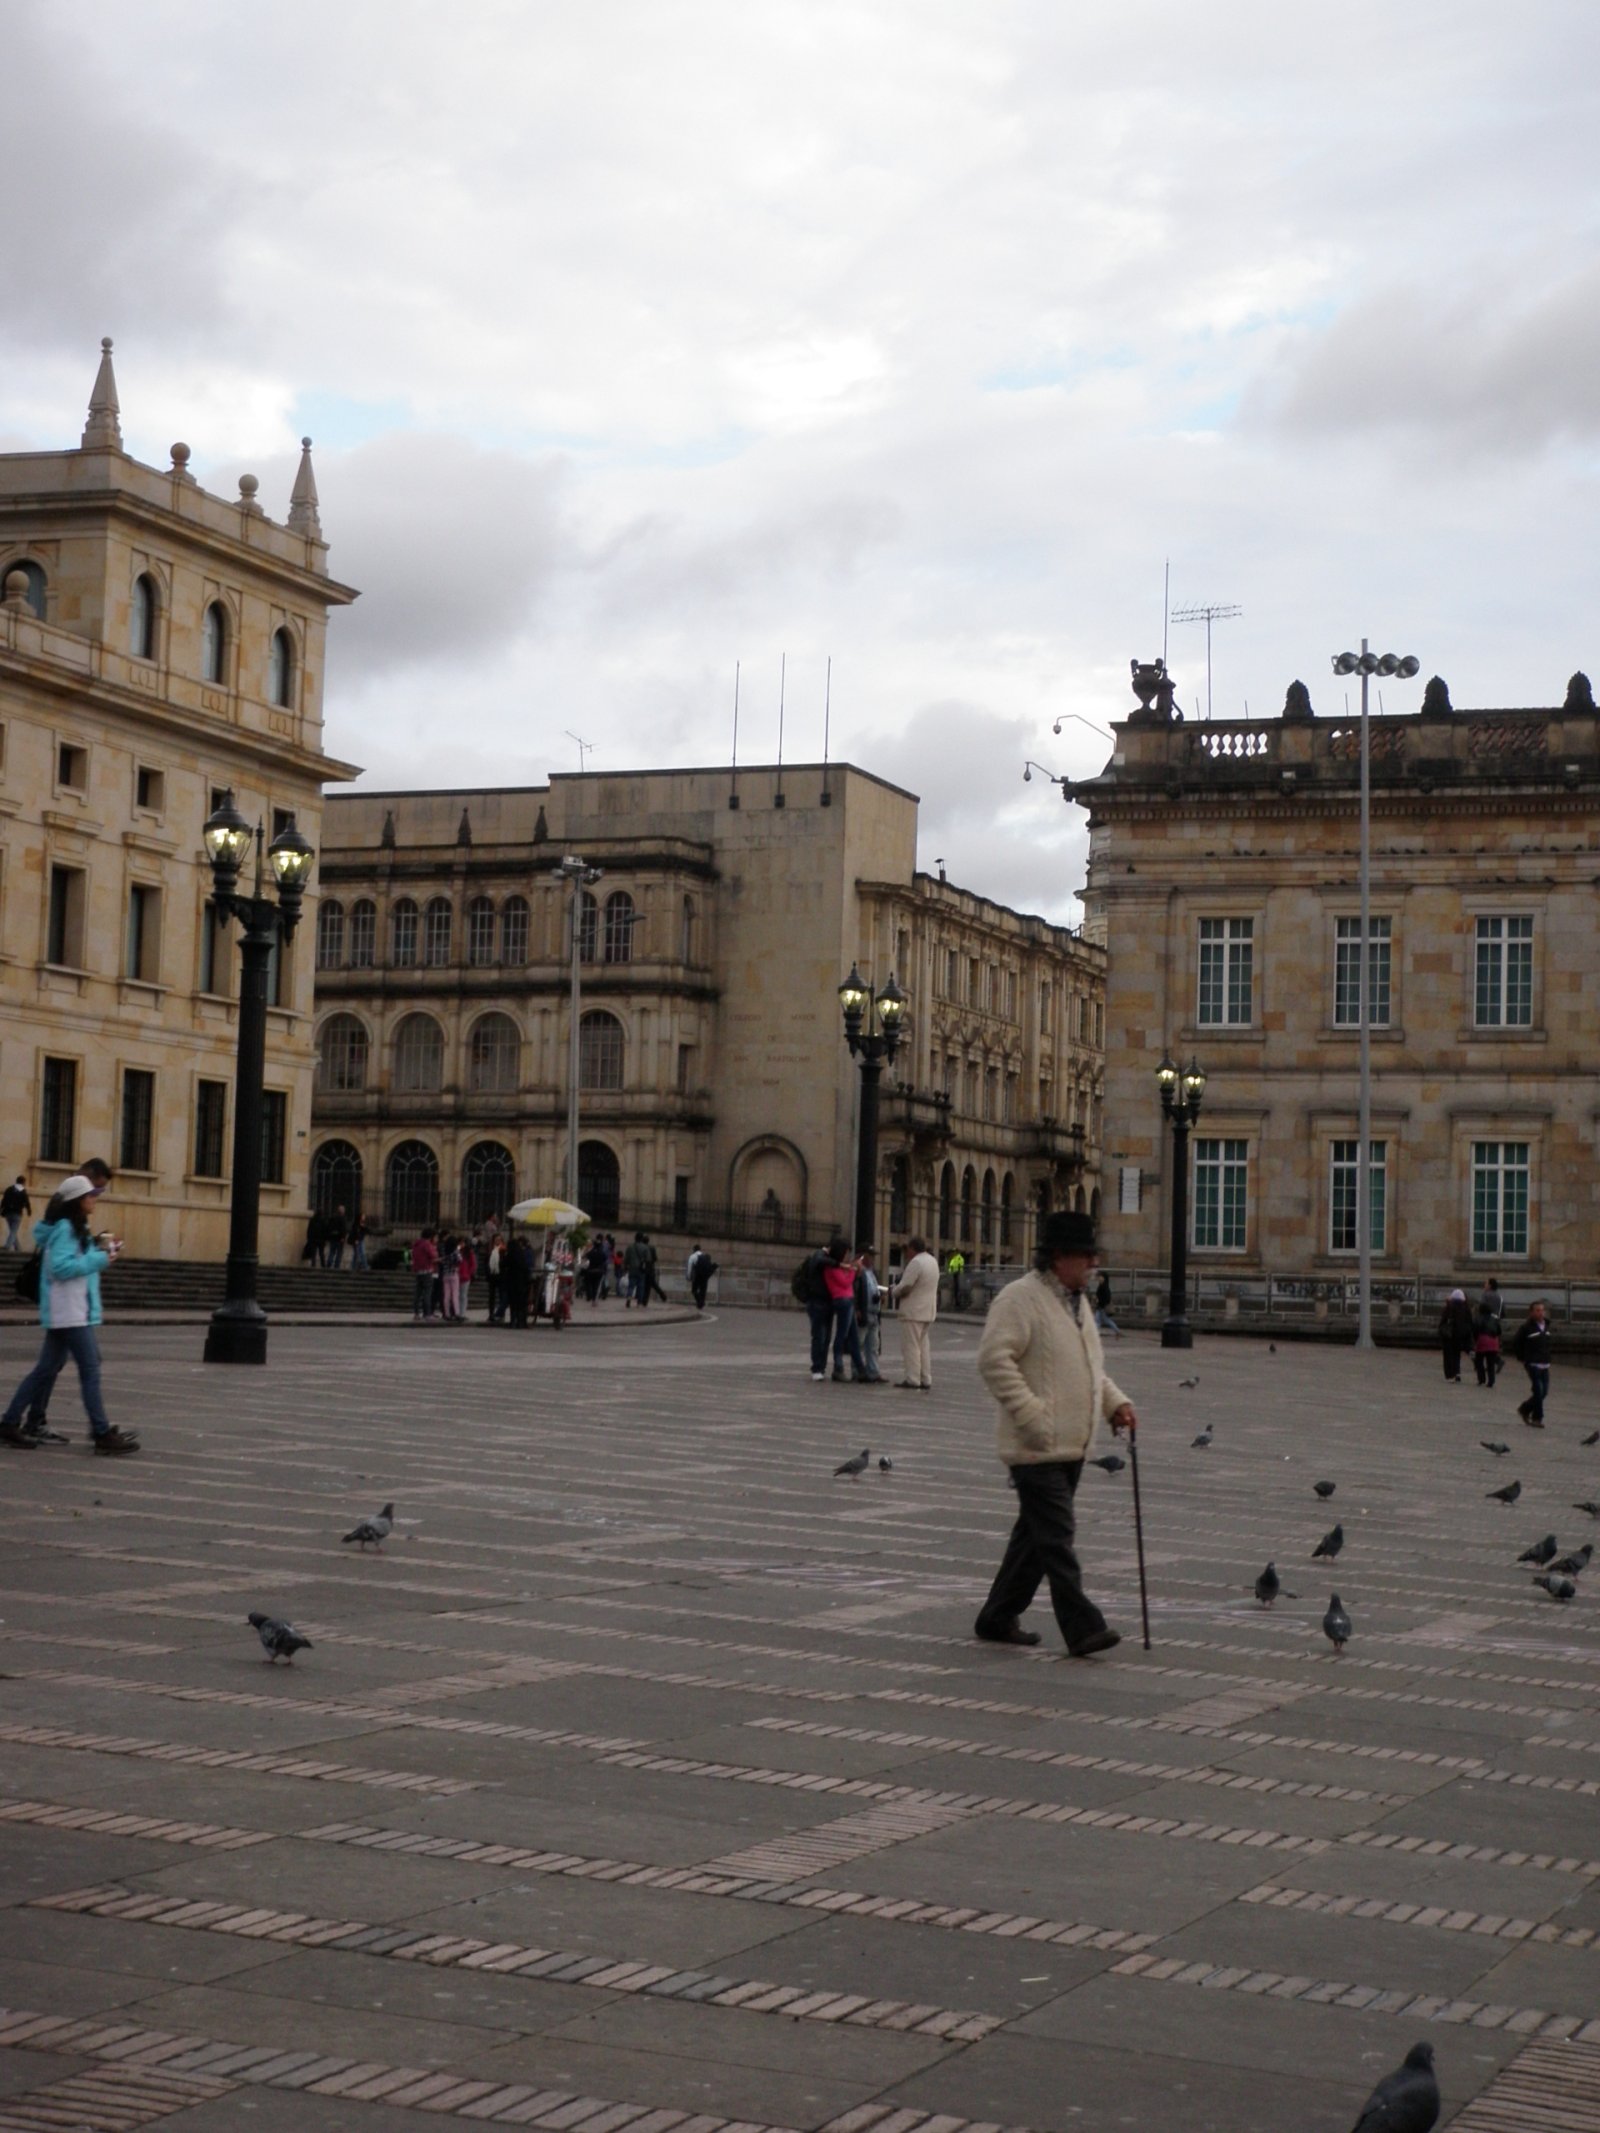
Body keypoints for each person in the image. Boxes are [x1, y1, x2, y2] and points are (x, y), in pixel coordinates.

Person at [972, 1210, 1133, 1657]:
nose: (1093, 1263)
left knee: (1034, 1541)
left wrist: (1115, 1404)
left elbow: (1089, 1370)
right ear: (1060, 1257)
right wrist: (1033, 1414)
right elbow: (993, 1360)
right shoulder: (1019, 1299)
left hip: (1071, 1446)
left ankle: (997, 1615)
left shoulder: (1077, 1302)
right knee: (1057, 1536)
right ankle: (1082, 1626)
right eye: (1087, 1255)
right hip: (1035, 1447)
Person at [0, 1175, 140, 1455]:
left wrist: (101, 1247)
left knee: (46, 1370)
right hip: (70, 1311)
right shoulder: (66, 1229)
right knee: (89, 1369)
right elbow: (60, 1268)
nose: (94, 1200)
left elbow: (72, 1261)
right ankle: (100, 1432)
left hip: (69, 1310)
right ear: (78, 1200)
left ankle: (9, 1422)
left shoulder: (73, 1227)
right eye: (91, 1196)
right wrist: (100, 1259)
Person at [889, 1234, 940, 1391]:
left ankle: (912, 1378)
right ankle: (925, 1378)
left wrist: (893, 1291)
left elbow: (906, 1285)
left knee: (911, 1346)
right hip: (928, 1311)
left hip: (914, 1311)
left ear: (912, 1248)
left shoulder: (916, 1262)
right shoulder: (933, 1261)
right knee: (923, 1347)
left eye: (907, 1250)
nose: (906, 1254)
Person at [821, 1238, 868, 1382]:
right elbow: (845, 1282)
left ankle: (861, 1369)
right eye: (846, 1253)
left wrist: (852, 1268)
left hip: (848, 1301)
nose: (848, 1257)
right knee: (841, 1335)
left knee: (853, 1337)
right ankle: (838, 1367)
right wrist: (853, 1271)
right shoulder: (832, 1268)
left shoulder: (840, 1267)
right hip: (842, 1301)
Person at [796, 1240, 834, 1380]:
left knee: (826, 1337)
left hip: (827, 1302)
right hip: (817, 1302)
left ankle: (821, 1367)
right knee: (819, 1335)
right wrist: (836, 1263)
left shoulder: (826, 1258)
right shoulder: (819, 1255)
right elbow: (818, 1261)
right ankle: (817, 1367)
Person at [1512, 1299, 1552, 1426]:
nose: (1541, 1313)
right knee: (1538, 1391)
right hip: (1533, 1364)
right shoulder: (1526, 1328)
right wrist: (1522, 1357)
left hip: (1545, 1364)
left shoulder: (1547, 1326)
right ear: (1531, 1313)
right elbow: (1517, 1343)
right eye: (1537, 1310)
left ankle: (1525, 1408)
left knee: (1544, 1392)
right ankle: (1537, 1418)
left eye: (1542, 1310)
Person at [854, 1246, 884, 1382]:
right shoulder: (858, 1271)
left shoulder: (873, 1272)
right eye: (869, 1255)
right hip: (863, 1311)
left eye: (873, 1256)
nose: (872, 1258)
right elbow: (854, 1290)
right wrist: (856, 1309)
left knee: (873, 1345)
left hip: (874, 1312)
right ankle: (858, 1371)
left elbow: (875, 1289)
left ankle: (873, 1372)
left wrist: (880, 1296)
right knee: (859, 1343)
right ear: (862, 1256)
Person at [1438, 1288, 1474, 1383]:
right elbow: (1470, 1323)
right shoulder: (1466, 1309)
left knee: (1448, 1356)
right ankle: (1457, 1373)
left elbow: (1443, 1322)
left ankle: (1451, 1374)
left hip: (1449, 1336)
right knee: (1457, 1355)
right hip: (1460, 1336)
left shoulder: (1449, 1307)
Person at [410, 1227, 440, 1321]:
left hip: (418, 1271)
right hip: (427, 1270)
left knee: (418, 1293)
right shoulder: (427, 1244)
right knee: (427, 1293)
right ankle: (427, 1313)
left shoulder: (416, 1244)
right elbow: (433, 1256)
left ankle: (416, 1313)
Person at [1473, 1296, 1502, 1388]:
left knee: (1479, 1361)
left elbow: (1475, 1330)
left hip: (1482, 1340)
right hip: (1493, 1342)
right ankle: (1491, 1381)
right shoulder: (1494, 1319)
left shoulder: (1478, 1318)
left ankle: (1481, 1379)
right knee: (1491, 1363)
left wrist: (1475, 1340)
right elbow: (1499, 1331)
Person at [2, 1175, 30, 1252]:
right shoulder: (23, 1191)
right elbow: (27, 1202)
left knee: (12, 1230)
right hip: (17, 1213)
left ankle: (18, 1248)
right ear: (23, 1182)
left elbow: (4, 1200)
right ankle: (7, 1246)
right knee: (13, 1231)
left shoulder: (9, 1189)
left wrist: (1, 1209)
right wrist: (29, 1211)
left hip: (7, 1213)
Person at [1093, 1267, 1121, 1338]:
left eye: (1100, 1277)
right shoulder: (1101, 1286)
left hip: (1101, 1307)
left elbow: (1106, 1298)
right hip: (1100, 1306)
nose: (1099, 1278)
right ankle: (1117, 1331)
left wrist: (1099, 1301)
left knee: (1098, 1321)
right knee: (1104, 1320)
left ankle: (1094, 1334)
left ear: (1104, 1278)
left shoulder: (1104, 1287)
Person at [686, 1243, 715, 1311]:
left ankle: (700, 1302)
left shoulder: (693, 1256)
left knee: (694, 1290)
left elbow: (690, 1267)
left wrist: (689, 1276)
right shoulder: (704, 1256)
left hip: (698, 1275)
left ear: (694, 1250)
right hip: (705, 1275)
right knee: (702, 1290)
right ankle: (700, 1304)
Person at [323, 1204, 349, 1271]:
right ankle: (336, 1265)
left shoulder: (332, 1218)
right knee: (339, 1253)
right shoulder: (343, 1219)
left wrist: (328, 1236)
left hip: (333, 1237)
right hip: (340, 1238)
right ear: (342, 1211)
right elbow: (344, 1229)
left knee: (332, 1251)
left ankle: (329, 1262)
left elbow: (328, 1227)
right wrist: (343, 1237)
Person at [946, 1246, 968, 1310]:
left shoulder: (959, 1258)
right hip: (954, 1275)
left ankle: (958, 1303)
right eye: (953, 1252)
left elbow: (960, 1267)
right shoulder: (954, 1258)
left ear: (957, 1252)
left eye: (954, 1251)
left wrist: (959, 1273)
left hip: (957, 1275)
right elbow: (950, 1267)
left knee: (957, 1289)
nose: (953, 1253)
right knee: (955, 1290)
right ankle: (956, 1302)